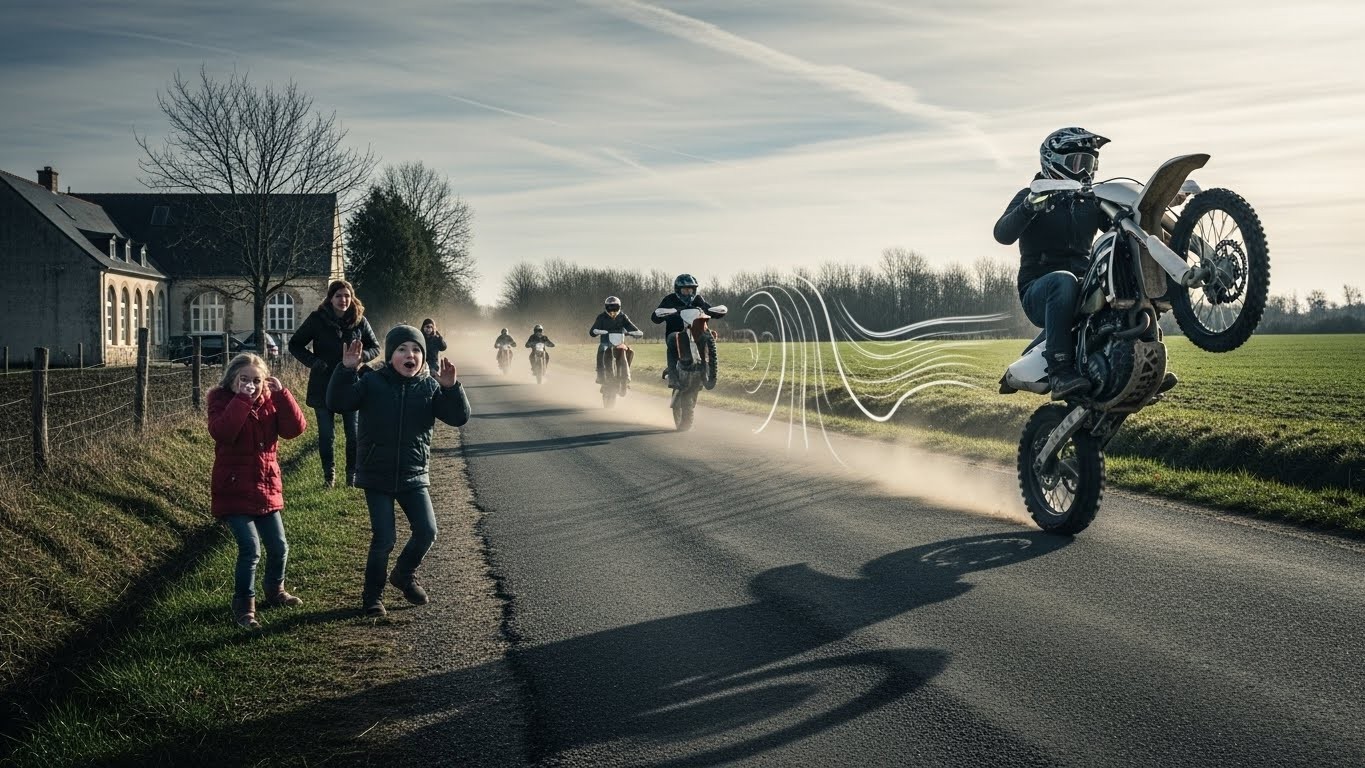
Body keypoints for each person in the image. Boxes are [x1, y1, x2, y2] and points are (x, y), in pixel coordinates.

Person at [327, 325, 471, 617]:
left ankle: (404, 574)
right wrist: (345, 370)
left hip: (413, 473)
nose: (411, 355)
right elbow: (337, 402)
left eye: (416, 350)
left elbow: (458, 418)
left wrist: (451, 388)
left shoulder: (430, 387)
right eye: (403, 349)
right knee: (385, 538)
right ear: (391, 355)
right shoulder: (372, 382)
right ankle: (372, 597)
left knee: (427, 531)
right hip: (376, 474)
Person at [993, 127, 1113, 399]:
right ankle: (1060, 372)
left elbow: (1120, 224)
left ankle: (1133, 355)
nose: (1085, 172)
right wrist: (1028, 206)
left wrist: (1152, 207)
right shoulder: (1031, 195)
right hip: (1040, 291)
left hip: (1082, 286)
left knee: (1121, 263)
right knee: (1063, 279)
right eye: (1078, 163)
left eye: (1090, 163)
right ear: (1054, 162)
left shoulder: (1089, 201)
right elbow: (1002, 234)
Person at [207, 352, 308, 629]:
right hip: (234, 489)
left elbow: (295, 430)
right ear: (232, 380)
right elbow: (223, 432)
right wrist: (242, 399)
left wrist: (283, 396)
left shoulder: (270, 402)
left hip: (266, 486)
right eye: (244, 379)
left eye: (256, 380)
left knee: (279, 547)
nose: (251, 384)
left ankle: (275, 591)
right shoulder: (220, 401)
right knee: (251, 549)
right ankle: (244, 606)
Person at [288, 279, 381, 487]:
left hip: (351, 384)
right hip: (323, 383)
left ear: (352, 297)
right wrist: (313, 362)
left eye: (347, 295)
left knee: (353, 434)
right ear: (330, 298)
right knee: (326, 435)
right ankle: (329, 477)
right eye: (338, 296)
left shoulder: (359, 320)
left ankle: (352, 475)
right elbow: (294, 344)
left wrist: (361, 357)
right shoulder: (317, 319)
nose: (343, 300)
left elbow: (376, 347)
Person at [651, 274, 717, 388]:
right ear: (678, 289)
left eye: (691, 289)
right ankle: (673, 376)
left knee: (711, 334)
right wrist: (666, 312)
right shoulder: (670, 299)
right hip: (675, 333)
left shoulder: (698, 299)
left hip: (696, 334)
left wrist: (714, 311)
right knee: (674, 338)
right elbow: (655, 318)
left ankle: (708, 368)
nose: (688, 292)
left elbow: (708, 309)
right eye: (685, 289)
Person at [590, 296, 642, 384]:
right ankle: (600, 375)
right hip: (606, 343)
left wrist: (636, 333)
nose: (612, 311)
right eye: (609, 308)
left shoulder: (622, 317)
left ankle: (626, 375)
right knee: (602, 349)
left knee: (630, 352)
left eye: (615, 307)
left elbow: (632, 328)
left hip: (620, 343)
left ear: (619, 307)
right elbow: (592, 331)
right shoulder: (601, 317)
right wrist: (597, 331)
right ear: (606, 307)